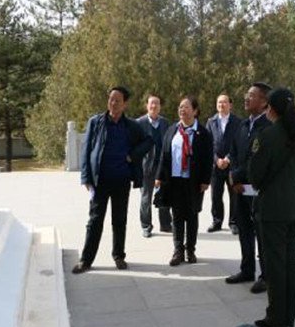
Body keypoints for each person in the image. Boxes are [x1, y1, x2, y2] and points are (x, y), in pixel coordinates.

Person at [72, 86, 153, 274]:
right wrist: (86, 177)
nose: (113, 103)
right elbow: (86, 150)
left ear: (125, 104)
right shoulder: (96, 122)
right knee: (95, 221)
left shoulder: (131, 125)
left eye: (117, 100)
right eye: (111, 99)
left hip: (121, 180)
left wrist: (132, 155)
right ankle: (86, 260)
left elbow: (149, 141)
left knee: (119, 220)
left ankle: (118, 256)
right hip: (100, 181)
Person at [248, 88, 295, 327]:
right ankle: (289, 315)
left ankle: (276, 316)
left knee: (275, 265)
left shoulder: (267, 135)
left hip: (273, 209)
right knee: (291, 263)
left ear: (271, 109)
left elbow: (255, 176)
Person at [225, 82, 272, 294]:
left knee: (262, 233)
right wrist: (233, 177)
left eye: (252, 95)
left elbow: (258, 160)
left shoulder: (268, 127)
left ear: (263, 102)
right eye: (247, 94)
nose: (246, 98)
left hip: (259, 189)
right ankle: (247, 269)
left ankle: (266, 276)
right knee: (244, 229)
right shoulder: (242, 125)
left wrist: (236, 175)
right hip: (239, 189)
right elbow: (234, 152)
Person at [156, 96, 213, 266]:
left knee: (192, 215)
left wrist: (205, 180)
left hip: (194, 181)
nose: (182, 110)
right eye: (180, 107)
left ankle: (190, 250)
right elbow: (164, 155)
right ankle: (178, 250)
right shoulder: (172, 130)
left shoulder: (203, 133)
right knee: (177, 216)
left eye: (186, 107)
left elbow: (208, 158)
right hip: (174, 180)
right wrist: (159, 176)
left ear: (195, 111)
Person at [137, 94, 172, 238]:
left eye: (157, 103)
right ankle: (146, 226)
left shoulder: (165, 123)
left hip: (162, 166)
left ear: (160, 106)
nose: (154, 106)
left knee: (164, 195)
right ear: (147, 106)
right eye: (151, 103)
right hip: (146, 167)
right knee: (146, 198)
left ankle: (165, 224)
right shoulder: (139, 123)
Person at [205, 94, 240, 234]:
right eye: (219, 102)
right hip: (216, 166)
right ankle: (217, 221)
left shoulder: (237, 122)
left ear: (230, 105)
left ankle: (234, 222)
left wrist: (228, 159)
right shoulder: (211, 122)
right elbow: (207, 144)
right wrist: (216, 160)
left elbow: (239, 143)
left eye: (224, 102)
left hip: (232, 165)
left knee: (234, 195)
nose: (221, 105)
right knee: (216, 196)